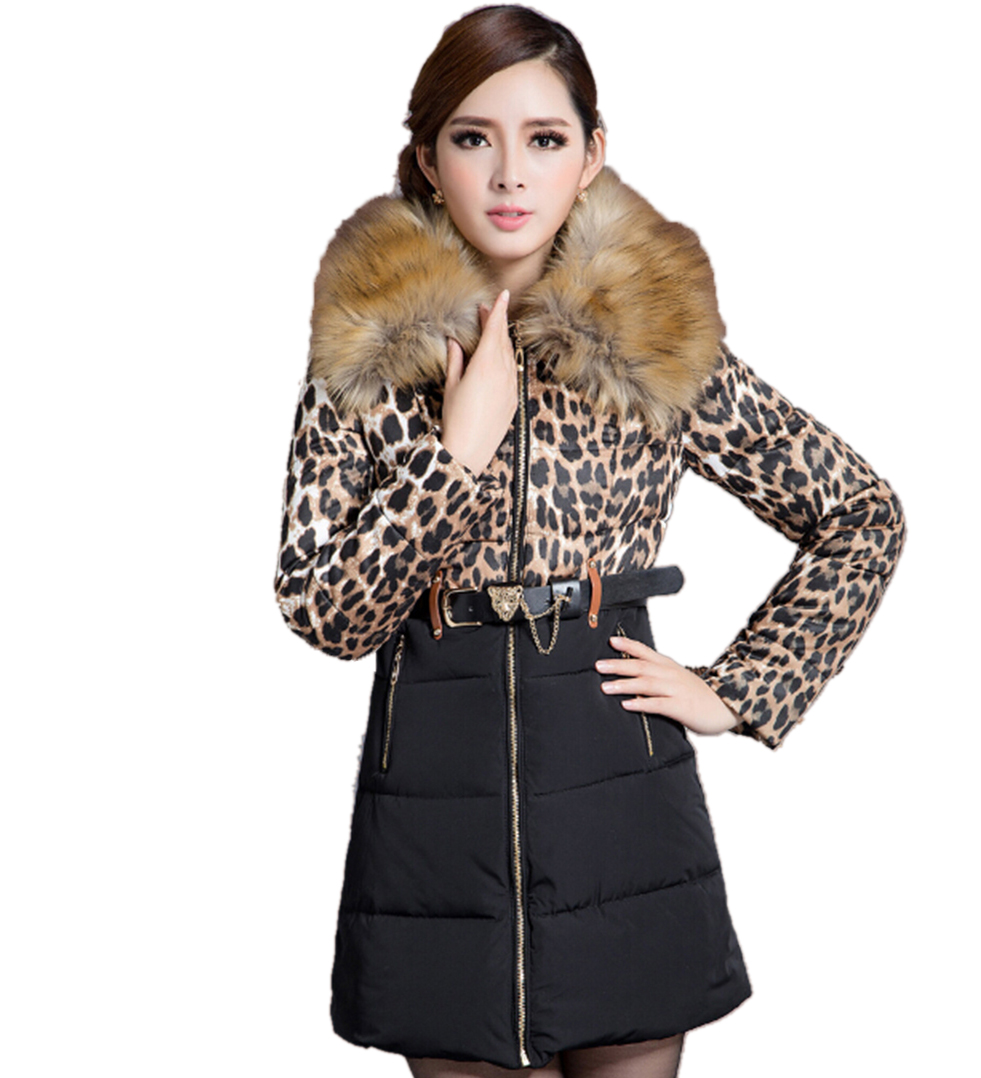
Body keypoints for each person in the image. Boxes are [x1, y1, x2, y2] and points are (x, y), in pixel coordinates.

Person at [274, 5, 907, 1077]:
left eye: (544, 138)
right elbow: (324, 611)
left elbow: (859, 514)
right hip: (434, 801)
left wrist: (743, 688)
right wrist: (456, 456)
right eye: (472, 138)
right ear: (428, 160)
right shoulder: (367, 351)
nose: (508, 174)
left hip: (619, 786)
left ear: (591, 154)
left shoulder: (652, 338)